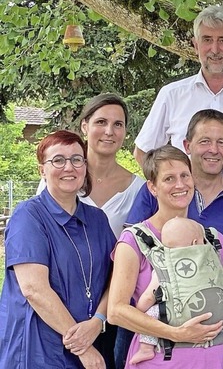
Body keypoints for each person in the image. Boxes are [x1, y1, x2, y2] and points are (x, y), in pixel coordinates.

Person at [36, 94, 146, 369]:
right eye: (101, 122)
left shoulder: (139, 190)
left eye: (118, 124)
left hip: (110, 308)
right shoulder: (59, 178)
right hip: (59, 308)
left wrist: (100, 318)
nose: (109, 131)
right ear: (84, 126)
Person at [108, 145, 223, 369]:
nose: (180, 184)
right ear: (152, 187)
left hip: (215, 357)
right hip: (161, 358)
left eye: (185, 175)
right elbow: (116, 312)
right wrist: (176, 333)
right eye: (168, 178)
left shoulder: (213, 240)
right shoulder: (134, 240)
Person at [0, 130, 116, 368]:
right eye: (58, 160)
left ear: (85, 166)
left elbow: (114, 279)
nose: (69, 167)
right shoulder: (29, 216)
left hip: (93, 340)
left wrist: (98, 321)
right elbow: (34, 289)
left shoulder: (97, 220)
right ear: (42, 169)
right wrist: (82, 346)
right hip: (40, 349)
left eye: (76, 159)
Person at [133, 5, 223, 198]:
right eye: (207, 40)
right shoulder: (172, 95)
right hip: (183, 211)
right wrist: (168, 192)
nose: (214, 49)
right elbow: (143, 152)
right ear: (195, 45)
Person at [127, 109, 223, 279]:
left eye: (221, 142)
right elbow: (129, 250)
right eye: (205, 141)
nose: (213, 150)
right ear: (187, 145)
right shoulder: (159, 191)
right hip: (155, 299)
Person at [129, 217, 223, 365]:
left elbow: (149, 297)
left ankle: (146, 349)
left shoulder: (165, 266)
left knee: (151, 314)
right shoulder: (212, 261)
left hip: (177, 317)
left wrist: (140, 309)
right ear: (196, 242)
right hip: (217, 317)